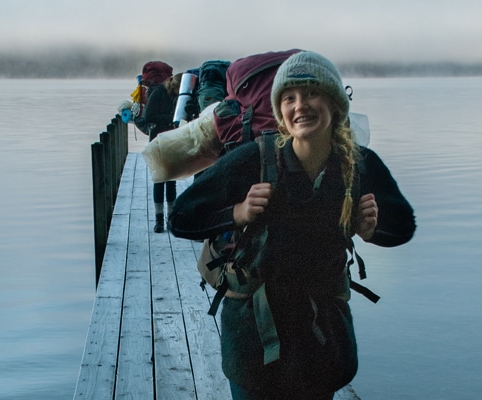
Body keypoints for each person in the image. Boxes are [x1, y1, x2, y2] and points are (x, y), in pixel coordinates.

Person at [168, 51, 416, 399]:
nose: (301, 105)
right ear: (280, 110)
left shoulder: (359, 165)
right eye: (289, 97)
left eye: (312, 93)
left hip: (321, 340)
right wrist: (237, 213)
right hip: (253, 338)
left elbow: (403, 227)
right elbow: (181, 216)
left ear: (335, 103)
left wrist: (372, 231)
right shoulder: (253, 158)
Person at [140, 72, 183, 232]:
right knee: (159, 180)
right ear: (174, 86)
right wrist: (171, 119)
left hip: (173, 140)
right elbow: (149, 116)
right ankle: (159, 220)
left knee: (171, 180)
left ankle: (170, 219)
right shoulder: (158, 92)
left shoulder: (181, 95)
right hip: (157, 141)